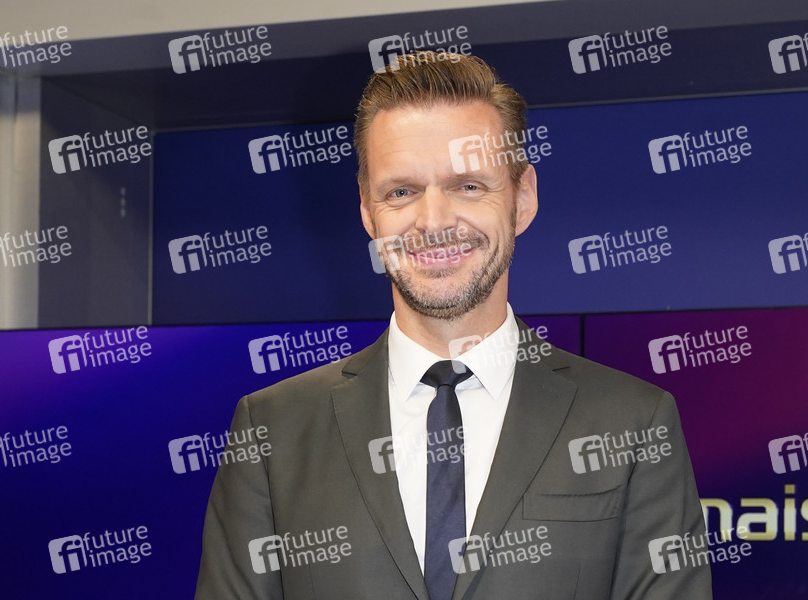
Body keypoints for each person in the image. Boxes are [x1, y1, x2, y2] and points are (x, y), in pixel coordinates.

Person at [195, 52, 711, 599]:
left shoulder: (634, 422)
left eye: (467, 186)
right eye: (401, 191)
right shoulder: (272, 429)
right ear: (368, 211)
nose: (434, 221)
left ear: (523, 198)